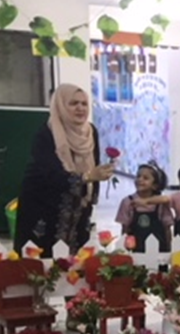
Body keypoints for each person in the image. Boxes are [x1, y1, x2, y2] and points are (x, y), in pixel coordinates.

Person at [13, 84, 114, 254]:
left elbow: (93, 167)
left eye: (84, 103)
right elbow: (48, 174)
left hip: (78, 206)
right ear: (60, 105)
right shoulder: (47, 132)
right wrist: (86, 177)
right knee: (42, 259)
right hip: (44, 205)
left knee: (77, 259)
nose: (80, 108)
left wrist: (94, 186)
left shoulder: (90, 132)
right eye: (73, 103)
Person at [115, 163, 172, 253]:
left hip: (159, 250)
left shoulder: (160, 203)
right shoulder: (128, 201)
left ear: (155, 185)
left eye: (145, 178)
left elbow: (167, 228)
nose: (140, 180)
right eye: (138, 176)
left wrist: (169, 248)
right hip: (135, 250)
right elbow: (125, 228)